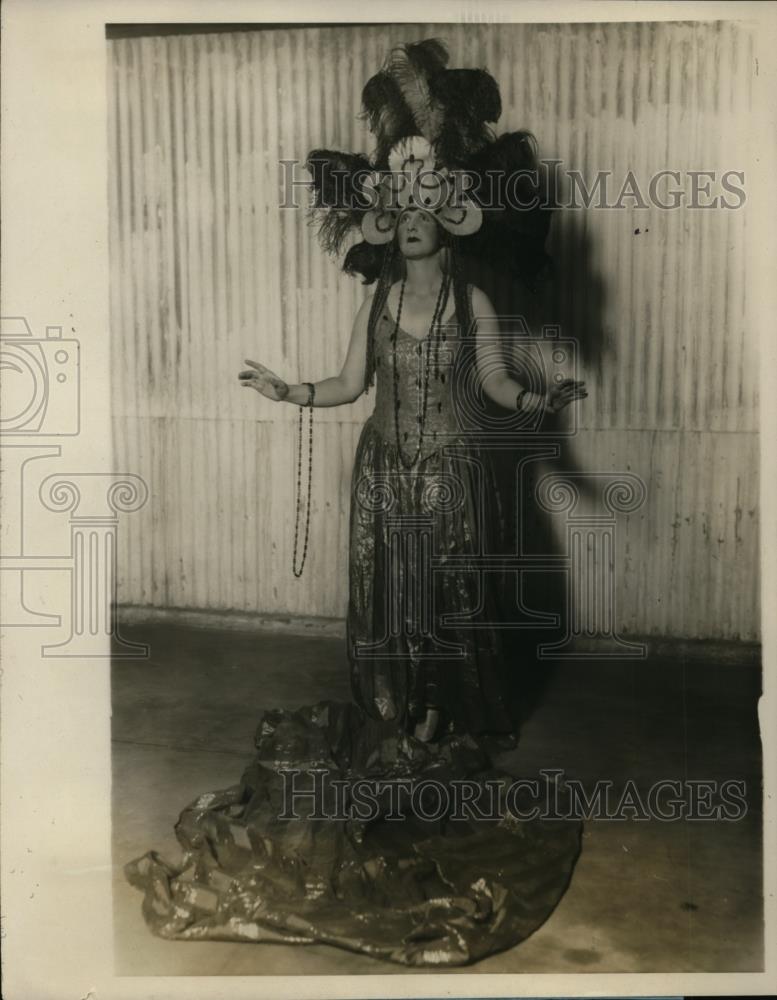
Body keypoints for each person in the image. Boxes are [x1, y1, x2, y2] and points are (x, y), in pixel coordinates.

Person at [239, 205, 585, 744]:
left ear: (447, 227)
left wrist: (540, 400)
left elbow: (495, 382)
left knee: (449, 587)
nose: (411, 224)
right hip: (384, 467)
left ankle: (441, 706)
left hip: (451, 464)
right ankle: (405, 699)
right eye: (402, 216)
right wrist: (289, 392)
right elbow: (350, 384)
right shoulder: (377, 300)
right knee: (393, 587)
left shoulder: (473, 302)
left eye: (424, 214)